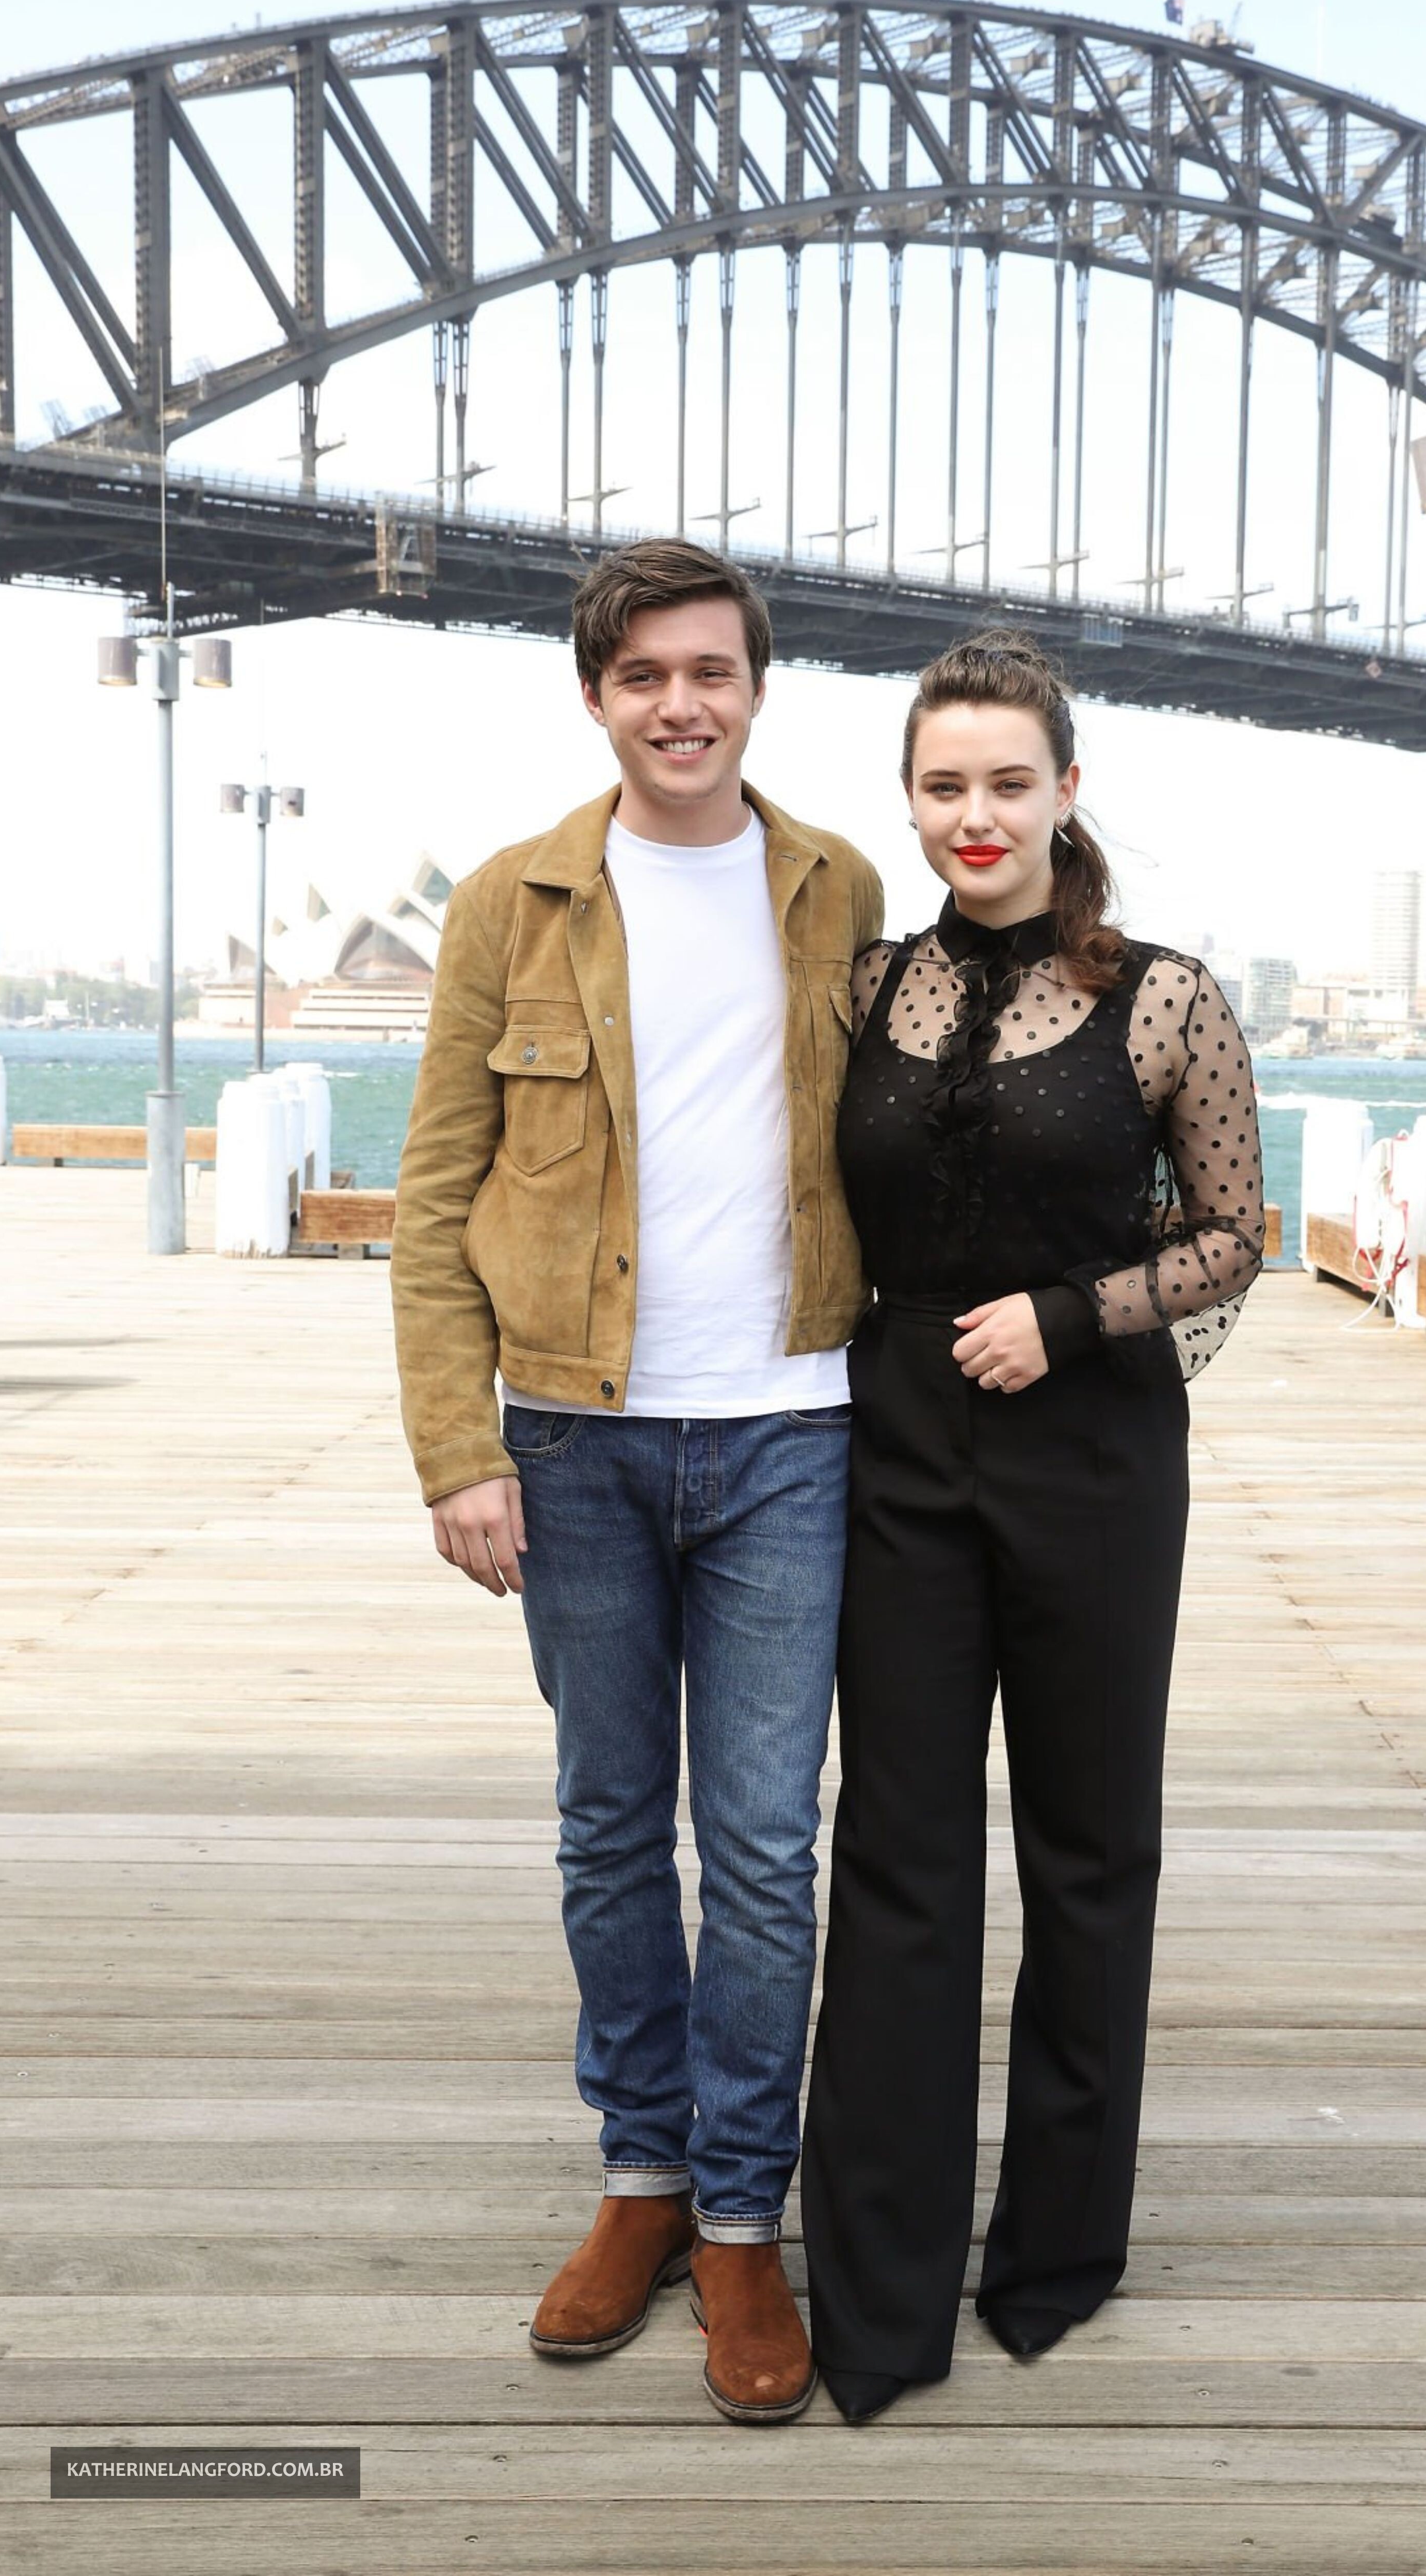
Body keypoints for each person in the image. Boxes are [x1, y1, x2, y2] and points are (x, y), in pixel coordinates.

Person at [390, 537, 883, 2426]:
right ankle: (643, 2174)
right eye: (645, 675)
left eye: (712, 671)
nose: (682, 704)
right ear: (595, 695)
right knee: (609, 1825)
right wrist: (457, 1449)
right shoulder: (509, 900)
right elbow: (435, 1195)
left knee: (760, 1843)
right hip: (572, 1435)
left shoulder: (837, 884)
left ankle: (742, 2211)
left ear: (756, 687)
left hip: (792, 1430)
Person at [799, 629, 1265, 2422]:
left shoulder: (1163, 998)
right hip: (897, 1451)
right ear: (909, 802)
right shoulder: (868, 987)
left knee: (1086, 1850)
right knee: (896, 1852)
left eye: (1008, 781)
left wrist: (1068, 1316)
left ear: (1067, 790)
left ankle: (1057, 2250)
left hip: (1094, 1457)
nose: (974, 815)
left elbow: (1233, 1234)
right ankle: (879, 2281)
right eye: (943, 786)